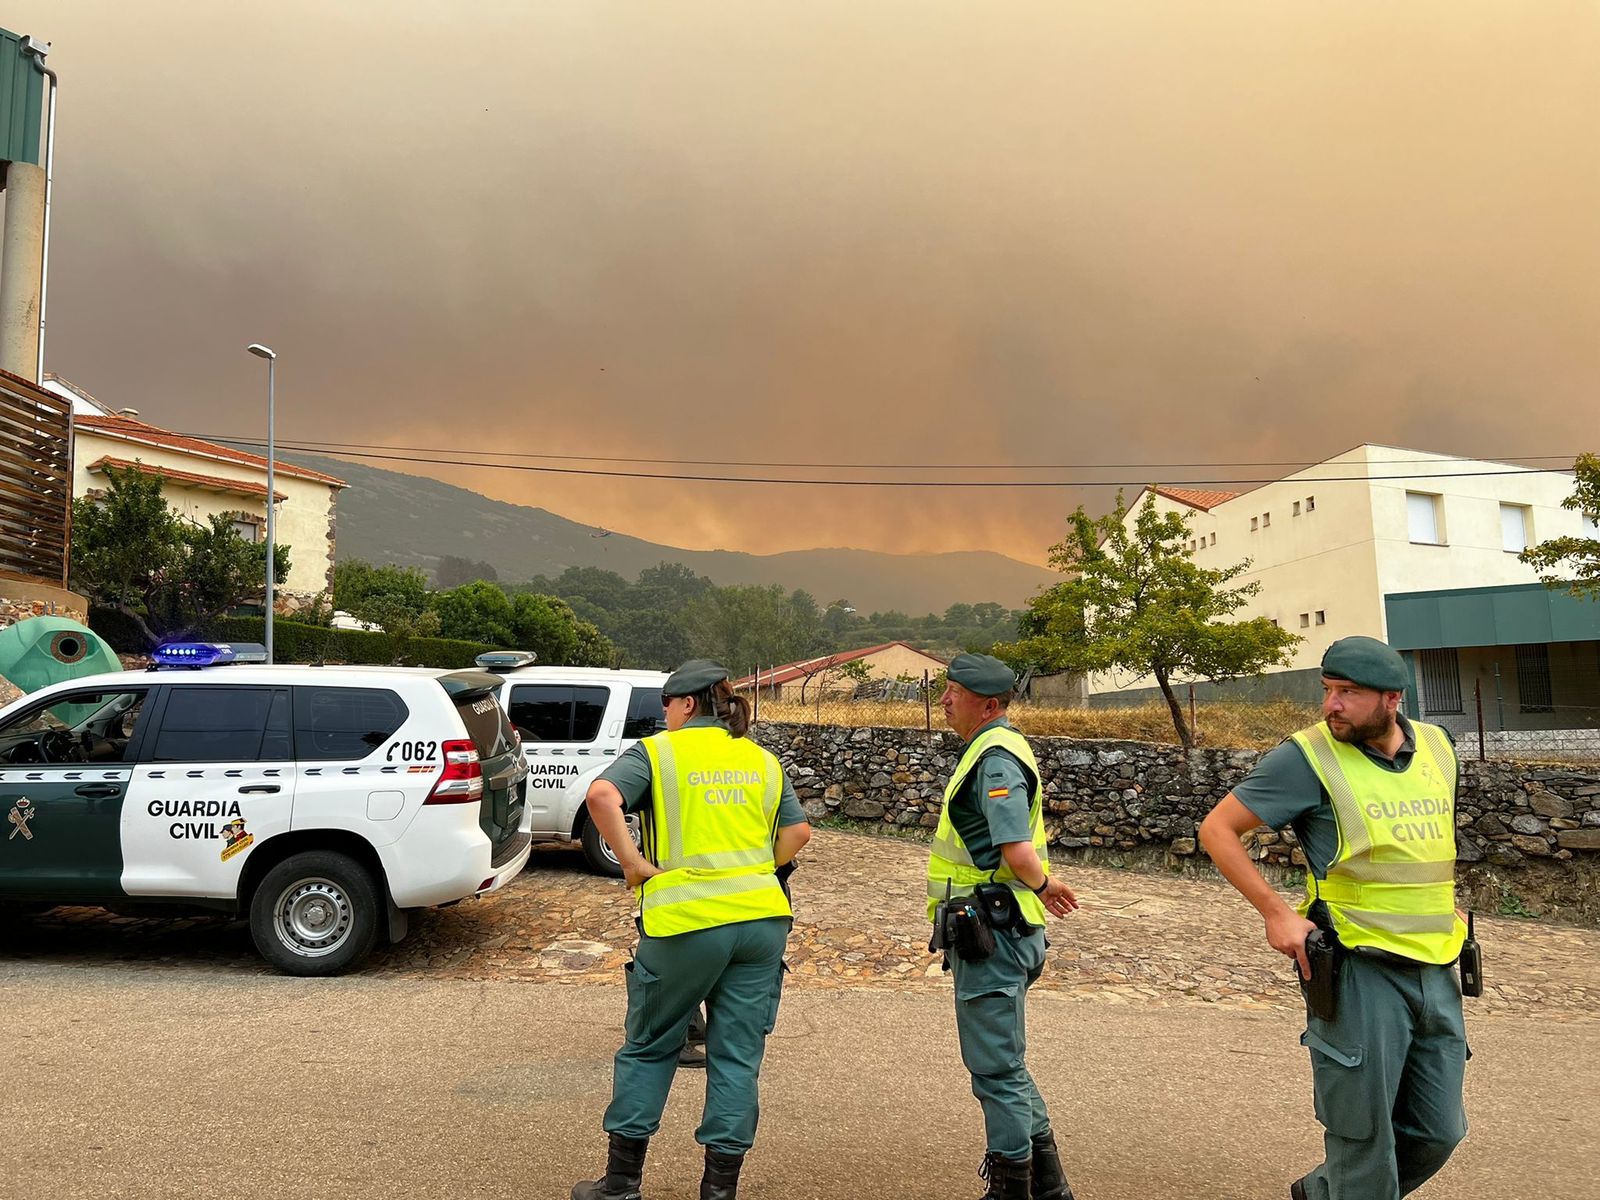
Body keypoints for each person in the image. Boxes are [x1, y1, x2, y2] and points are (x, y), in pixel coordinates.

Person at [1198, 636, 1470, 1200]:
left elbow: (1424, 845)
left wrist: (1443, 903)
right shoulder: (1307, 757)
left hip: (1438, 966)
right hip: (1357, 968)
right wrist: (1276, 913)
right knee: (1362, 1138)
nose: (1331, 705)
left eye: (1348, 693)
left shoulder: (1440, 748)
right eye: (1328, 690)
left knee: (1440, 1131)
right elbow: (1217, 830)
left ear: (1391, 699)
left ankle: (1323, 1194)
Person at [573, 659, 812, 1200]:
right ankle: (719, 1191)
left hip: (686, 923)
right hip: (761, 923)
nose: (664, 713)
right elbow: (798, 831)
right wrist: (753, 873)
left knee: (650, 1046)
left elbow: (600, 797)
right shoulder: (762, 760)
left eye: (666, 703)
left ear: (685, 704)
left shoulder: (658, 753)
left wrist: (632, 863)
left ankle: (620, 1185)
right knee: (736, 1056)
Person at [931, 653, 1080, 1200]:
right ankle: (1049, 1186)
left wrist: (1043, 885)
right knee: (1005, 1065)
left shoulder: (994, 756)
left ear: (988, 704)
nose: (944, 700)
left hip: (995, 932)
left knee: (995, 1071)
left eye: (955, 692)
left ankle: (1011, 1189)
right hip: (1005, 929)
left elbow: (1016, 849)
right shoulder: (995, 747)